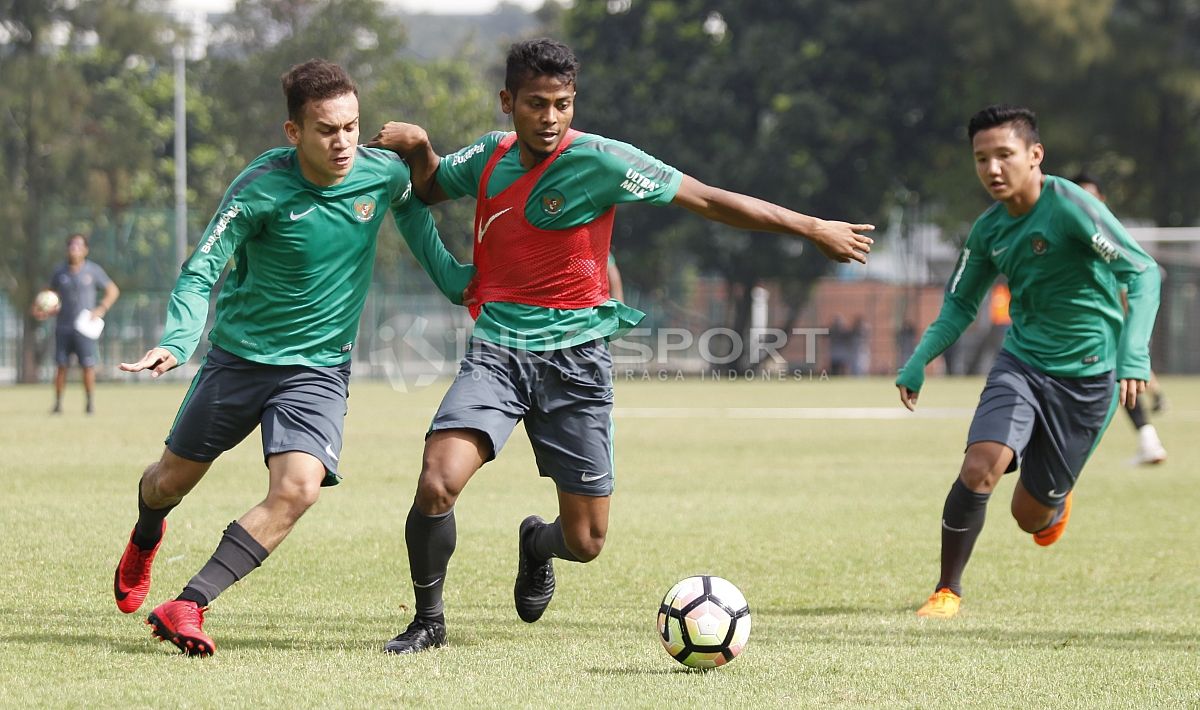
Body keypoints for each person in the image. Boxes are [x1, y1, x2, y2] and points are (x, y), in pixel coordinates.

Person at [368, 37, 875, 654]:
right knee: (437, 481)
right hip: (498, 352)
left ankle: (536, 543)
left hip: (578, 360)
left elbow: (710, 200)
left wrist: (811, 226)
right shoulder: (488, 156)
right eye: (535, 104)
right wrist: (422, 148)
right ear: (508, 102)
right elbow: (426, 190)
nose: (550, 118)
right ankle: (428, 622)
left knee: (585, 542)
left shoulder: (605, 161)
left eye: (562, 104)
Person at [112, 59, 471, 657]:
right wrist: (177, 341)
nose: (343, 142)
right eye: (327, 130)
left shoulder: (383, 176)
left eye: (352, 127)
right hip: (239, 360)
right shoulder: (259, 189)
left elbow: (429, 245)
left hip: (318, 369)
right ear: (293, 132)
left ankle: (188, 604)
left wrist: (469, 286)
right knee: (167, 481)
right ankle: (147, 533)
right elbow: (203, 266)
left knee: (300, 488)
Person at [896, 105, 1160, 620]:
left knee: (1029, 517)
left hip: (1089, 379)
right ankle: (947, 590)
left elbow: (1143, 273)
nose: (993, 169)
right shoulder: (989, 229)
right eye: (981, 159)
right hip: (1022, 363)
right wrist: (919, 359)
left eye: (1004, 155)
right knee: (980, 466)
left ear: (1035, 155)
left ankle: (1054, 505)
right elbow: (959, 304)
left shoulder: (1071, 207)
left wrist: (1134, 350)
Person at [1071, 173, 1167, 465]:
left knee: (1117, 383)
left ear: (1101, 200)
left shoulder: (1107, 242)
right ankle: (1149, 437)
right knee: (1120, 384)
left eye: (1090, 197)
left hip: (1106, 330)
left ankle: (1148, 439)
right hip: (1087, 331)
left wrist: (1130, 334)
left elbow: (1134, 284)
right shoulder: (1071, 238)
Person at [38, 233, 120, 414]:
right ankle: (58, 404)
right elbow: (49, 295)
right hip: (63, 327)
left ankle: (89, 403)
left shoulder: (93, 270)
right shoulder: (60, 272)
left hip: (84, 329)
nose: (74, 249)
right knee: (61, 366)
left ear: (85, 250)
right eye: (71, 246)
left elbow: (112, 290)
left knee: (87, 366)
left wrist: (100, 309)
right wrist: (47, 307)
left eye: (78, 246)